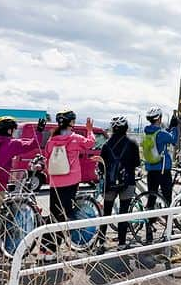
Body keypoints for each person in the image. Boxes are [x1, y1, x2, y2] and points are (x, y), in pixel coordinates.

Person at [42, 110, 94, 258]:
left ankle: (44, 248)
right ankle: (52, 250)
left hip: (55, 181)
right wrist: (89, 130)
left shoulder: (51, 141)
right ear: (71, 122)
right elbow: (90, 144)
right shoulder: (75, 138)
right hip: (70, 181)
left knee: (54, 214)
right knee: (64, 215)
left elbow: (47, 157)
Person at [96, 116, 140, 250]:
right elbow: (137, 163)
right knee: (123, 213)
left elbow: (100, 165)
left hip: (110, 184)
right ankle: (121, 243)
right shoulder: (132, 143)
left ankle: (101, 243)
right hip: (128, 182)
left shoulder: (106, 144)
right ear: (126, 127)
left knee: (106, 213)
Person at [140, 106, 178, 244]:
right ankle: (169, 229)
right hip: (163, 170)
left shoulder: (147, 133)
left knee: (151, 197)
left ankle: (149, 229)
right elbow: (173, 140)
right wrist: (174, 127)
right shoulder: (161, 133)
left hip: (151, 170)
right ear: (159, 118)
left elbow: (162, 137)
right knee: (167, 198)